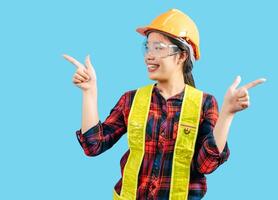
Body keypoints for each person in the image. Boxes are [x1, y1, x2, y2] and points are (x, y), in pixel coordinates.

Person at [63, 8, 266, 200]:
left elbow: (206, 165)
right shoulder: (131, 100)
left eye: (158, 48)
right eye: (147, 47)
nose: (149, 55)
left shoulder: (204, 103)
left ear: (182, 55)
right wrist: (89, 92)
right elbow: (93, 146)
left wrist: (227, 114)